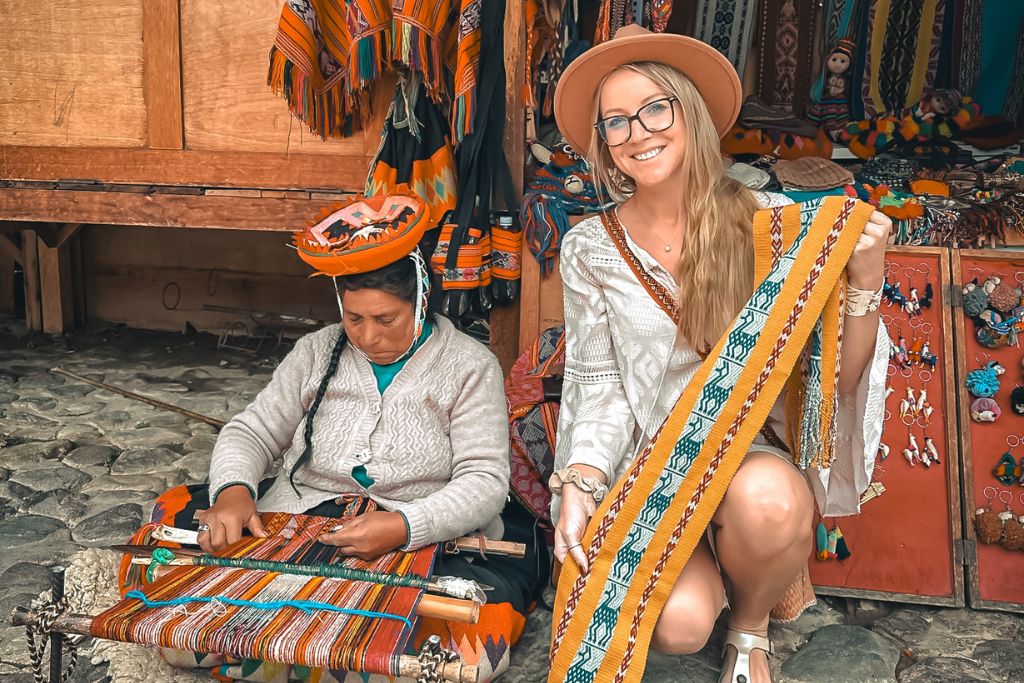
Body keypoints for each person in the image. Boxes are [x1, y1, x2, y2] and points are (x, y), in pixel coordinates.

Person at [548, 25, 889, 683]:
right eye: (615, 121)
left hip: (742, 458)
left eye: (654, 108)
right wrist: (581, 484)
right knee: (677, 627)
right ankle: (713, 573)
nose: (636, 133)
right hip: (645, 466)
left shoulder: (772, 222)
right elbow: (598, 382)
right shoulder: (589, 247)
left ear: (689, 112)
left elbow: (836, 379)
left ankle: (751, 625)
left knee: (769, 501)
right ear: (604, 142)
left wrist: (866, 280)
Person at [128, 193, 548, 682]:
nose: (367, 336)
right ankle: (321, 656)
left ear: (422, 302)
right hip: (307, 523)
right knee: (171, 618)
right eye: (354, 319)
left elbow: (483, 482)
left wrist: (403, 525)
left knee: (466, 655)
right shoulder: (316, 350)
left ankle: (288, 654)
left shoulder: (469, 366)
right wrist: (234, 492)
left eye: (385, 319)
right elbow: (253, 430)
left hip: (419, 540)